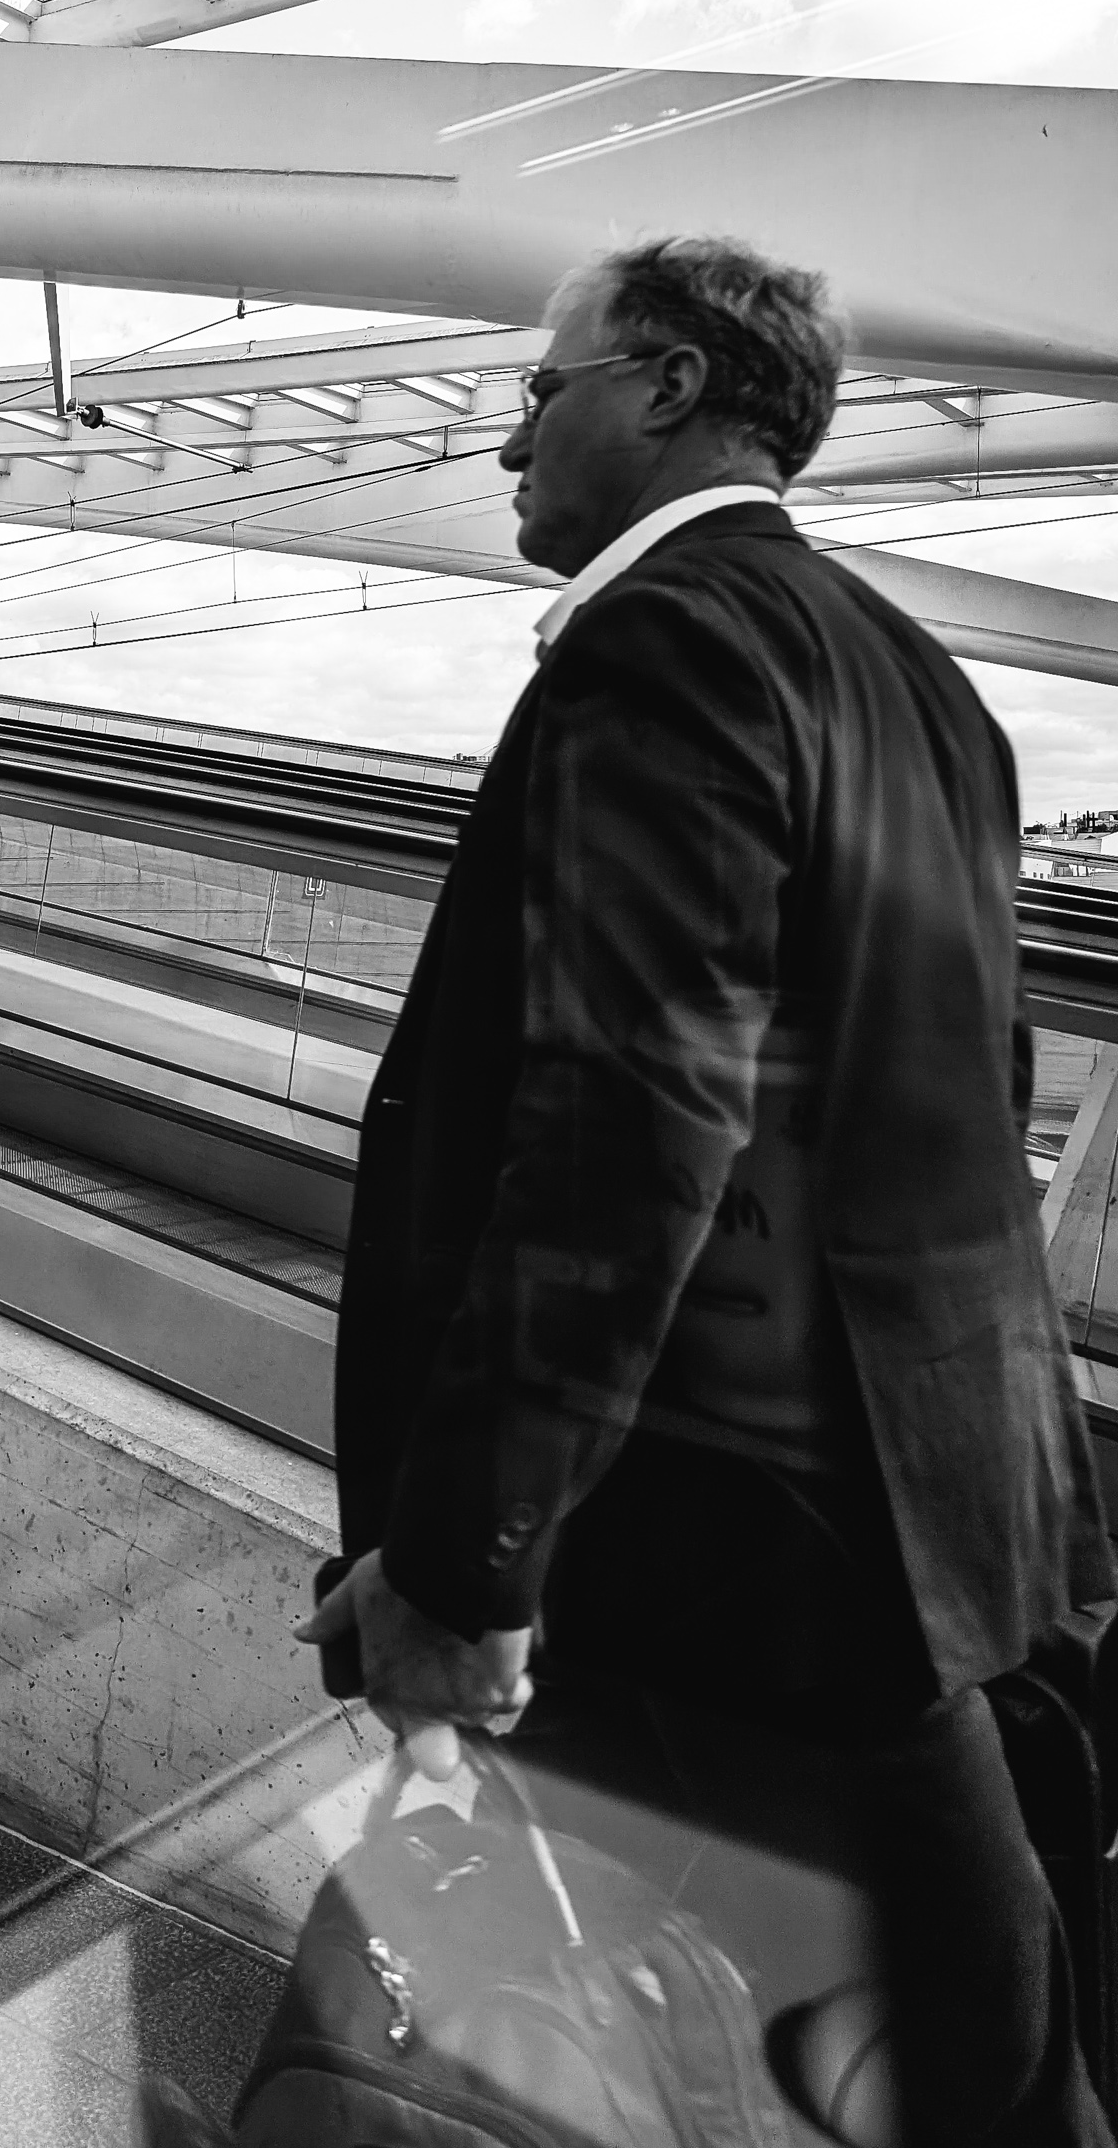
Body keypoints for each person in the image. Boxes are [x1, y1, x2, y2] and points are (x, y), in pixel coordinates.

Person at [298, 235, 1118, 2144]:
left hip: (730, 1538)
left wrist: (467, 1558)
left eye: (540, 390)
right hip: (945, 1510)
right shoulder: (929, 687)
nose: (510, 444)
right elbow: (954, 1107)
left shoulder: (660, 644)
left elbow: (629, 1120)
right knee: (950, 2025)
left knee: (514, 2018)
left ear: (665, 388)